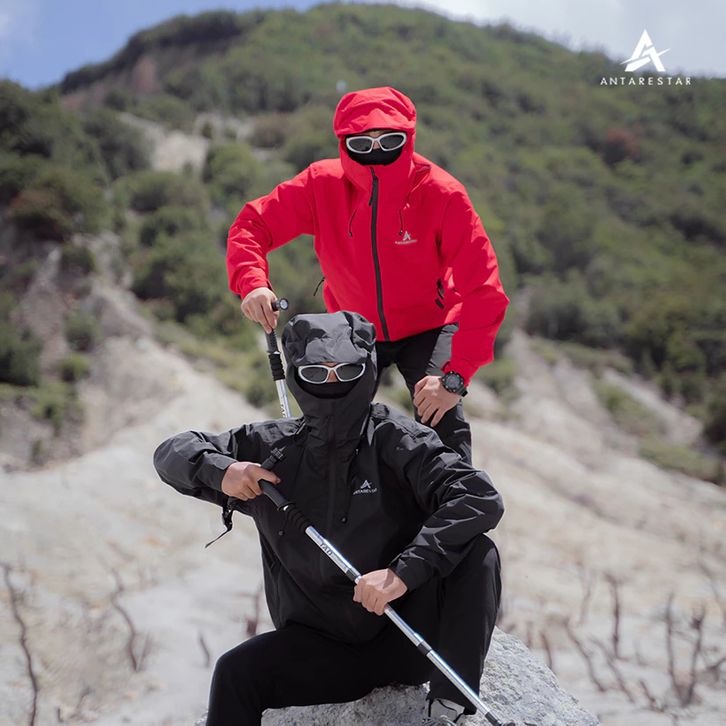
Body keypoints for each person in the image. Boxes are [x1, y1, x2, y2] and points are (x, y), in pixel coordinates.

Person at [153, 311, 504, 726]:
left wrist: (402, 574)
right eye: (317, 373)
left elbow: (479, 496)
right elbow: (171, 452)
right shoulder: (270, 449)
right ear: (297, 374)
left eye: (348, 371)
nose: (333, 383)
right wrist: (222, 470)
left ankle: (451, 706)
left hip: (407, 638)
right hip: (321, 649)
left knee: (479, 552)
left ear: (368, 369)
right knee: (235, 672)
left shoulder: (395, 439)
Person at [226, 85, 510, 465]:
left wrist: (455, 378)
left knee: (441, 419)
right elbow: (252, 225)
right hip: (354, 327)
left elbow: (484, 289)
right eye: (362, 144)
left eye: (390, 141)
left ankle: (457, 500)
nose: (376, 151)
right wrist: (253, 284)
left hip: (430, 325)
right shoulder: (320, 183)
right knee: (330, 430)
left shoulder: (442, 193)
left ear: (408, 138)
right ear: (344, 144)